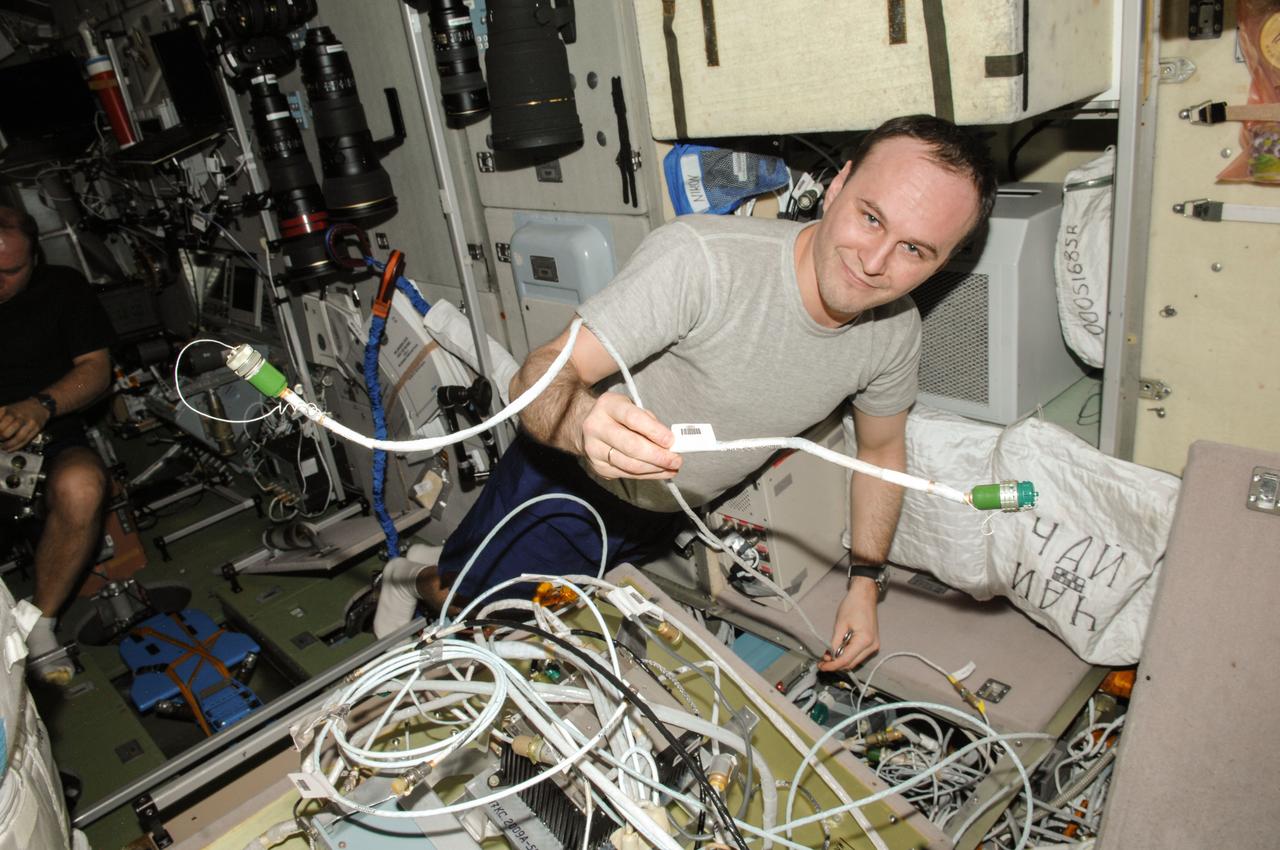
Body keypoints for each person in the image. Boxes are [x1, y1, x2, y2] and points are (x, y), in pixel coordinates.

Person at [374, 115, 996, 672]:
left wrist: (866, 582)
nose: (875, 262)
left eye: (914, 250)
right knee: (475, 613)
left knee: (553, 636)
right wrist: (583, 424)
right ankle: (413, 575)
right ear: (837, 186)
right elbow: (534, 375)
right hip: (561, 486)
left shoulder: (895, 332)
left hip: (665, 517)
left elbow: (881, 452)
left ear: (940, 264)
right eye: (871, 217)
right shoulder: (703, 260)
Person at [0, 206, 114, 684]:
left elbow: (96, 370)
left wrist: (41, 405)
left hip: (47, 434)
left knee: (82, 486)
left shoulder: (62, 288)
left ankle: (40, 623)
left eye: (9, 271)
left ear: (35, 259)